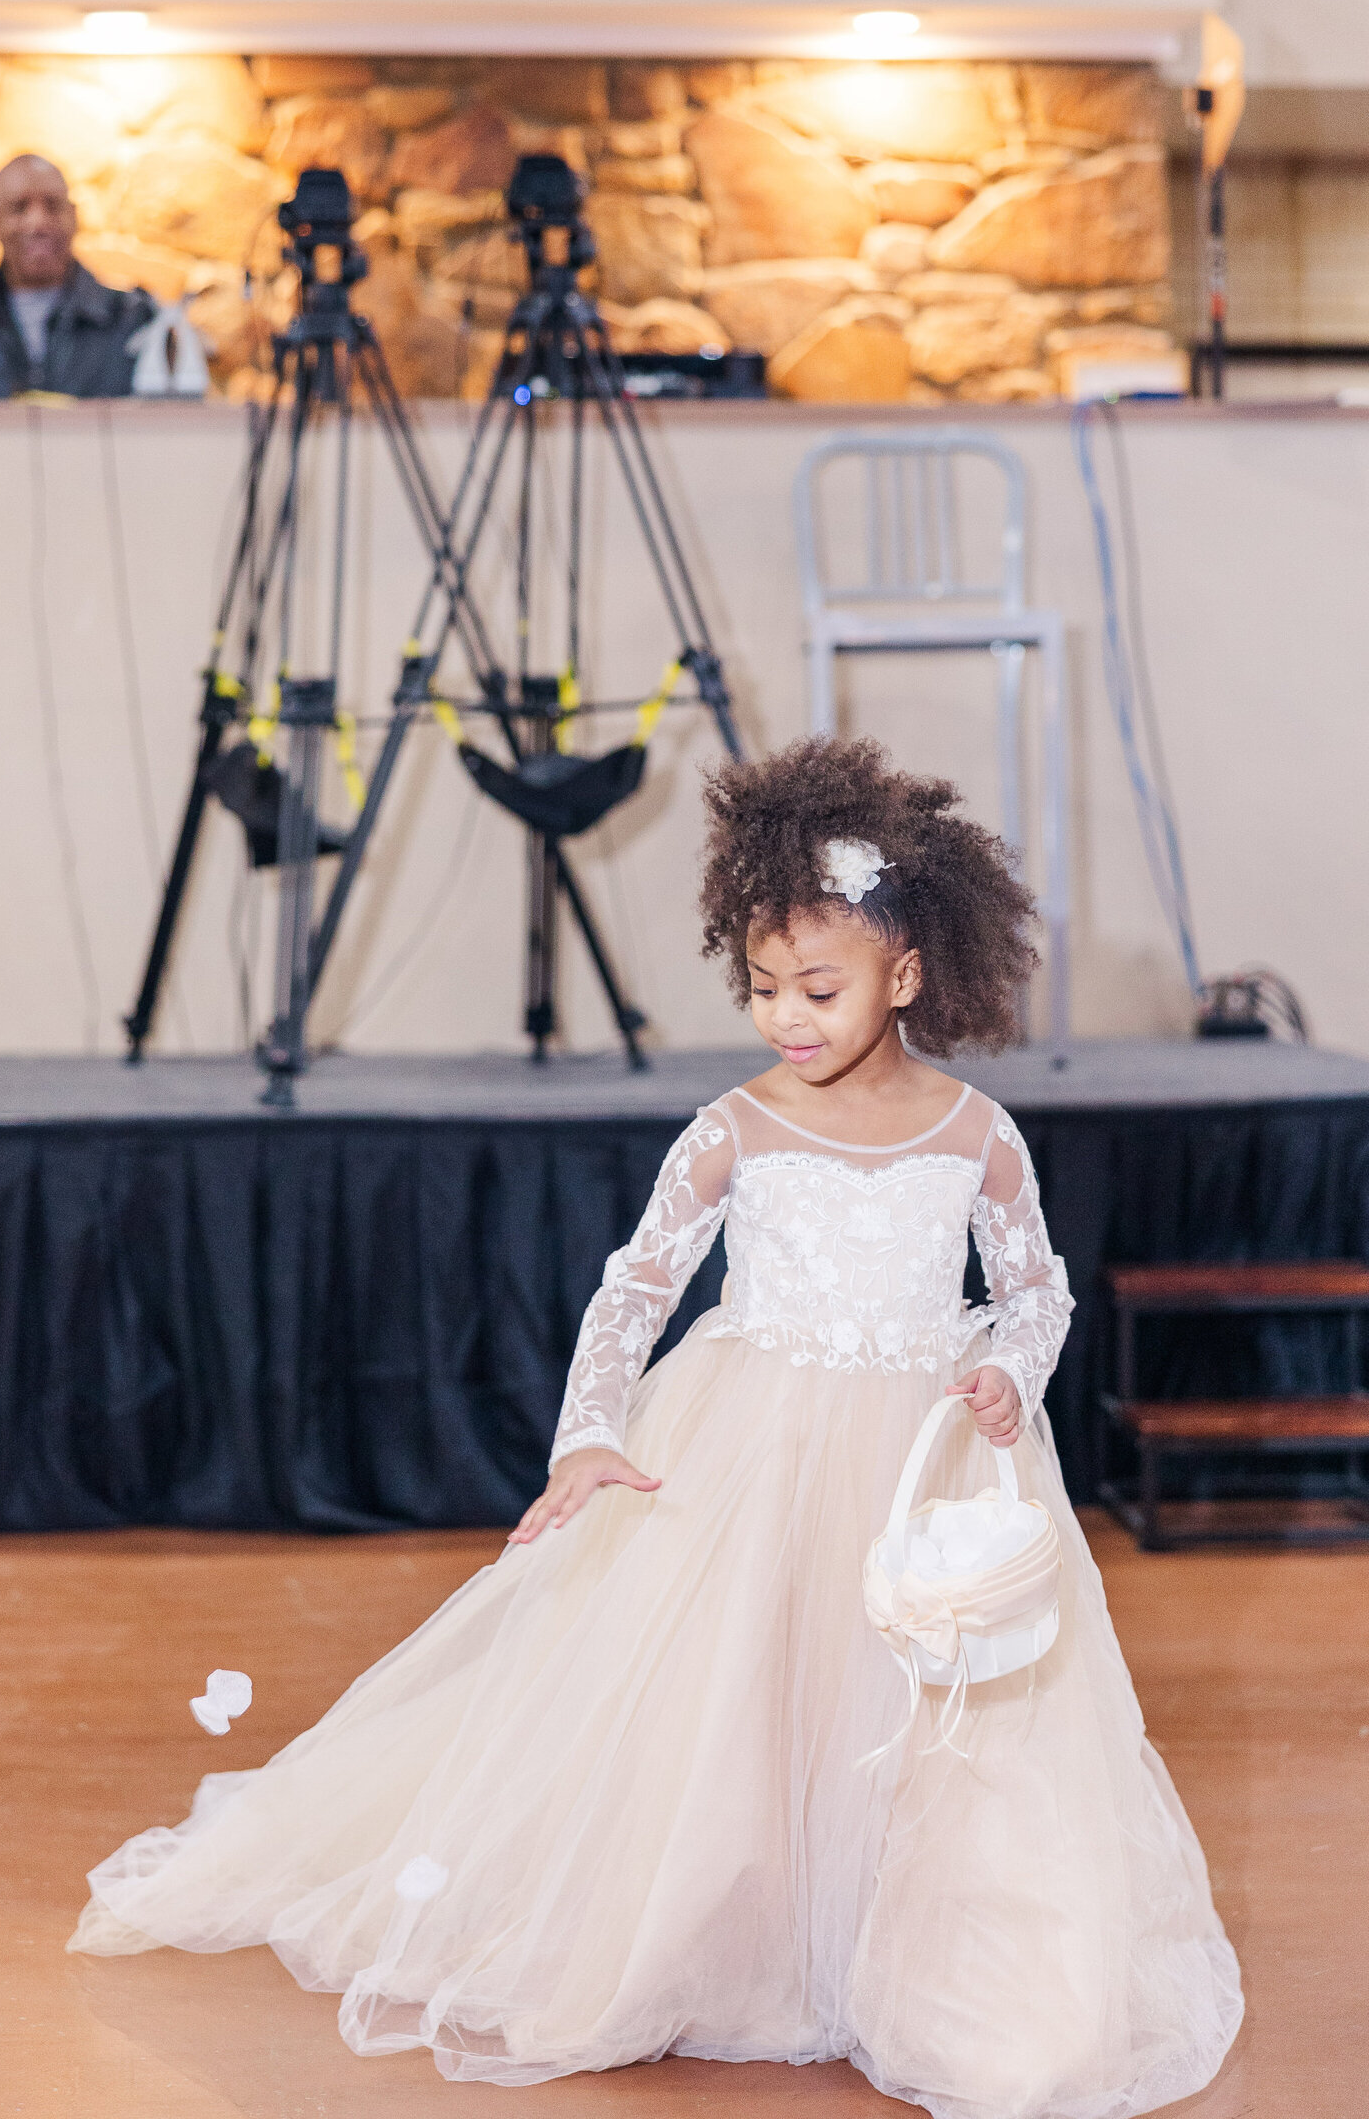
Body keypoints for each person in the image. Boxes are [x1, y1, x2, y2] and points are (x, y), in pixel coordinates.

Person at [70, 736, 1242, 2117]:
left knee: (914, 1709)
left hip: (919, 1460)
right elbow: (632, 1292)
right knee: (737, 1699)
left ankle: (912, 1937)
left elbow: (1036, 1289)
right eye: (761, 989)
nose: (786, 1018)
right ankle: (717, 1930)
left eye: (818, 987)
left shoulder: (977, 1135)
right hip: (749, 1440)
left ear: (906, 976)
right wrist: (585, 1435)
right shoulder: (731, 1130)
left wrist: (1009, 1370)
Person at [0, 154, 155, 400]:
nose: (37, 223)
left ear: (74, 217)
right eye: (19, 208)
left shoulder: (133, 322)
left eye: (53, 206)